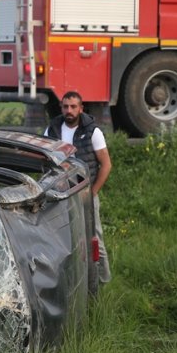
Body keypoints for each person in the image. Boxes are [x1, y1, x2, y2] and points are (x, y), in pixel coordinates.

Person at [45, 91, 113, 283]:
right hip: (60, 194)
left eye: (73, 106)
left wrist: (93, 193)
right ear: (61, 108)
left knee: (94, 237)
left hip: (86, 194)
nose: (69, 110)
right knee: (64, 238)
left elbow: (106, 165)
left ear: (81, 108)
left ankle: (103, 280)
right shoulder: (52, 130)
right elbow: (44, 162)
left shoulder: (93, 131)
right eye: (66, 106)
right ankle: (72, 281)